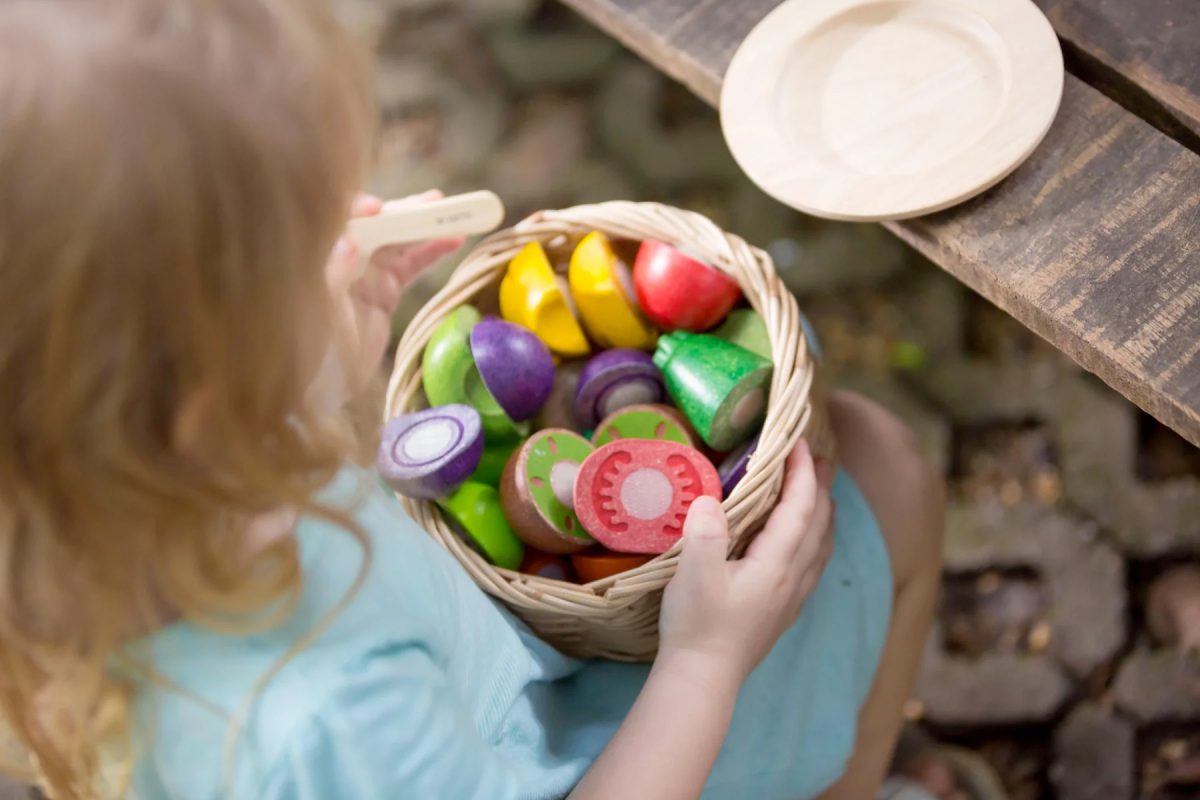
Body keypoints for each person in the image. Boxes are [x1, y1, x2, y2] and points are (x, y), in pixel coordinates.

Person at [0, 0, 944, 798]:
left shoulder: (107, 501)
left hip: (505, 671)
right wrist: (705, 666)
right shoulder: (332, 715)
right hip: (585, 761)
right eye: (300, 254)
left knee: (850, 441)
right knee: (890, 474)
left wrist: (329, 370)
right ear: (212, 398)